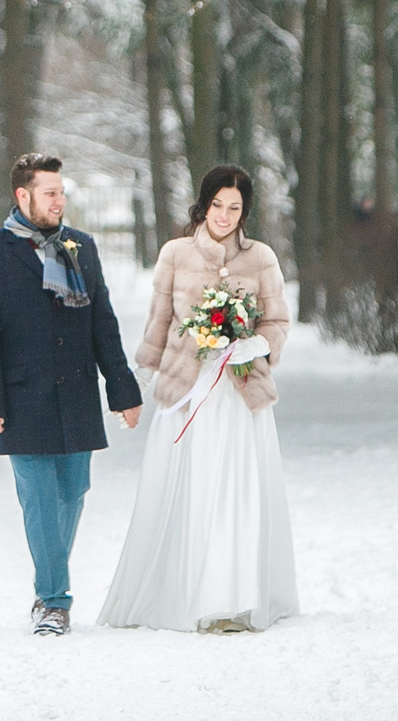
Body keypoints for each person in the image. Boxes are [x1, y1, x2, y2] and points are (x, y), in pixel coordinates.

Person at [97, 162, 299, 633]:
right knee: (193, 490)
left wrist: (256, 345)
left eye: (235, 207)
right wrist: (140, 381)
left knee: (236, 493)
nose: (225, 216)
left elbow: (278, 322)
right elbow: (159, 322)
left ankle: (233, 600)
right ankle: (190, 597)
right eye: (217, 205)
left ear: (245, 210)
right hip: (187, 392)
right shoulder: (175, 254)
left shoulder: (262, 258)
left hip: (241, 393)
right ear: (203, 205)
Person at [0, 152, 144, 637]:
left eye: (61, 192)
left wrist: (122, 390)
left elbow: (103, 322)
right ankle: (55, 600)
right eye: (50, 193)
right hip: (22, 399)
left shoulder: (79, 246)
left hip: (78, 392)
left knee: (71, 494)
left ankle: (48, 587)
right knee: (40, 500)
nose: (59, 201)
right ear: (23, 196)